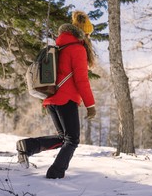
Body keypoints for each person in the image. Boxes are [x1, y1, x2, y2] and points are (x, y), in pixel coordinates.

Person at [16, 10, 96, 179]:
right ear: (84, 33)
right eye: (88, 34)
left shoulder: (60, 45)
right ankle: (55, 173)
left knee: (63, 138)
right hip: (65, 99)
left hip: (51, 97)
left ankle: (27, 146)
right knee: (72, 139)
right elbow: (82, 81)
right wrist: (90, 105)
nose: (89, 38)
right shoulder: (77, 49)